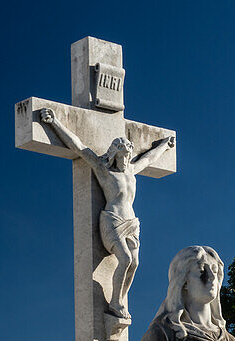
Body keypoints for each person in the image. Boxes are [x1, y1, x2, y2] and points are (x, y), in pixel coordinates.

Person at [38, 107, 175, 321]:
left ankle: (118, 299)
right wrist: (54, 122)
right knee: (126, 258)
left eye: (127, 153)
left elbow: (149, 158)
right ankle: (116, 303)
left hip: (131, 222)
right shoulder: (103, 170)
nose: (125, 157)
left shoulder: (131, 170)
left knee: (134, 263)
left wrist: (165, 146)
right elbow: (80, 147)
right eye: (121, 153)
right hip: (112, 219)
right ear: (114, 154)